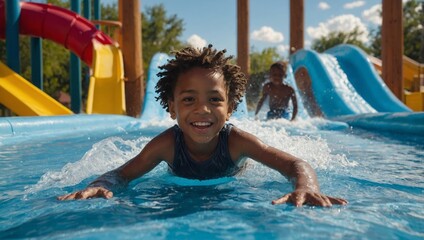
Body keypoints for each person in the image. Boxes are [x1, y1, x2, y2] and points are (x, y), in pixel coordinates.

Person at [58, 45, 347, 207]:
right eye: (188, 99)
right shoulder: (166, 145)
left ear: (230, 108)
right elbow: (122, 174)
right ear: (171, 108)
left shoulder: (238, 143)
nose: (202, 109)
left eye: (214, 99)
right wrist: (100, 184)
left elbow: (295, 164)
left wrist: (306, 187)